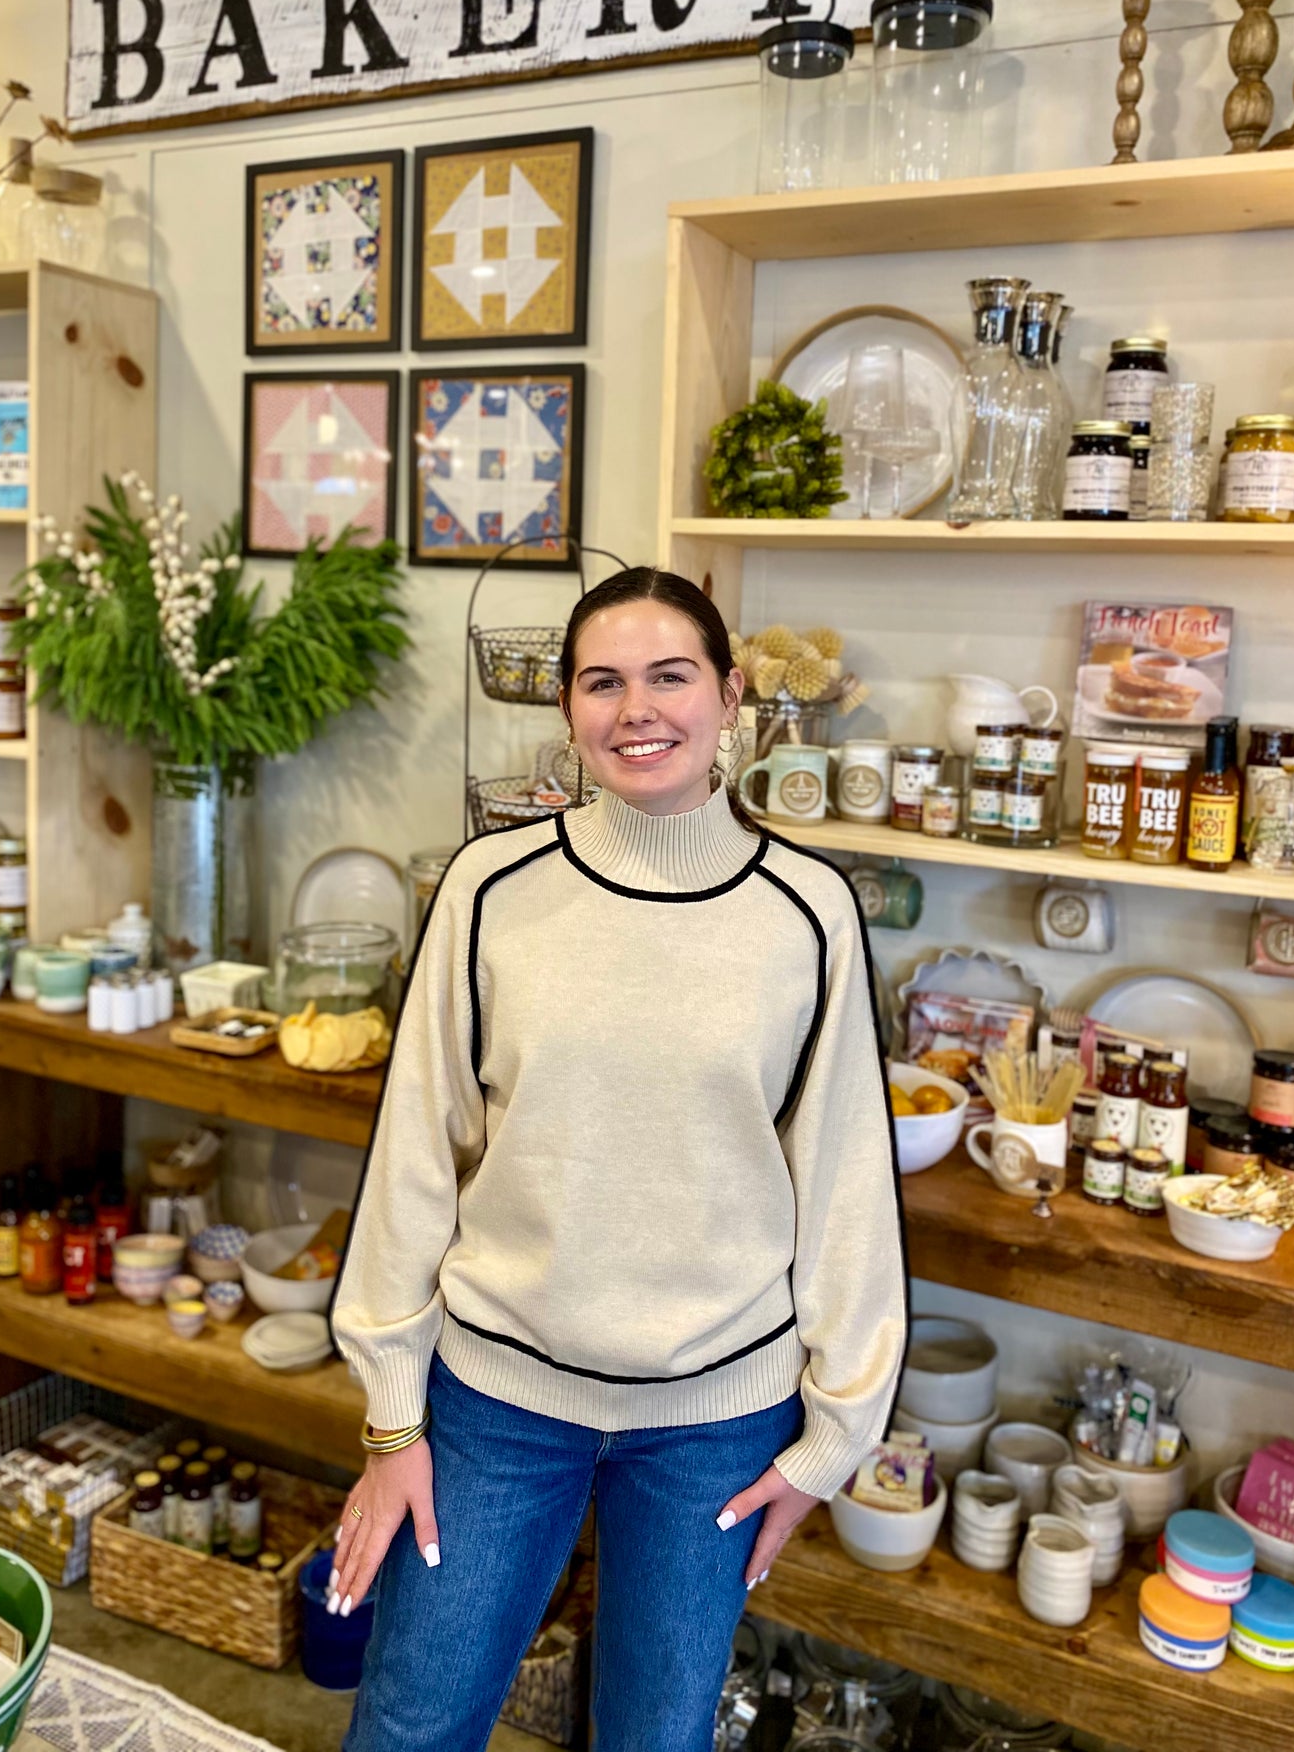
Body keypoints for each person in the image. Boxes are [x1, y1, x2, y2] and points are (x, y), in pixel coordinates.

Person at [329, 566, 908, 1752]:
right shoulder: (489, 889)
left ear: (731, 692)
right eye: (602, 680)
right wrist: (392, 1418)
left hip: (718, 1419)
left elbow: (846, 1182)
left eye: (669, 674)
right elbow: (414, 1157)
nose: (636, 707)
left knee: (657, 1733)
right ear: (568, 709)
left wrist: (832, 1442)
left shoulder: (810, 911)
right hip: (495, 1397)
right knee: (412, 1720)